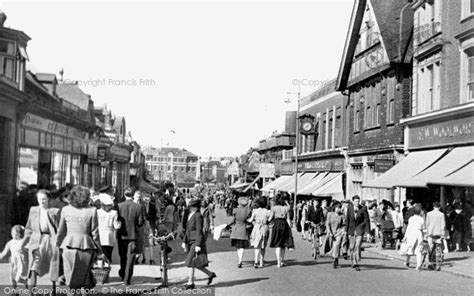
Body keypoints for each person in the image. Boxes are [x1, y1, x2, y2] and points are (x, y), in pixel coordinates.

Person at [56, 185, 104, 291]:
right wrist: (100, 251)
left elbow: (61, 231)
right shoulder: (92, 210)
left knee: (70, 276)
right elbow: (95, 233)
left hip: (68, 246)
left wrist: (57, 245)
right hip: (86, 246)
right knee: (84, 277)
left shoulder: (65, 210)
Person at [22, 189, 61, 288]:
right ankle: (32, 290)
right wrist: (24, 242)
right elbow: (28, 227)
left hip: (50, 240)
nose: (42, 202)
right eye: (39, 199)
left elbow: (59, 229)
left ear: (48, 199)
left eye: (44, 199)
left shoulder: (54, 212)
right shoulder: (33, 210)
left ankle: (53, 289)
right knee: (34, 265)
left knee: (53, 264)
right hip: (36, 240)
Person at [182, 199, 216, 289]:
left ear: (195, 207)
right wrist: (184, 241)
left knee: (190, 261)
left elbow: (199, 231)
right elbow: (187, 230)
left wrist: (197, 244)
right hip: (190, 240)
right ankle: (210, 274)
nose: (190, 208)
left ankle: (190, 283)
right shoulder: (190, 215)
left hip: (195, 241)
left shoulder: (198, 216)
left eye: (191, 207)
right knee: (195, 263)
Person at [117, 187, 144, 285]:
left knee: (122, 256)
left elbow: (116, 221)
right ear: (133, 195)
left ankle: (123, 273)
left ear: (124, 195)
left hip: (121, 236)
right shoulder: (138, 207)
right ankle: (127, 278)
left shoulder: (119, 206)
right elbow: (140, 222)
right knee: (131, 257)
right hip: (133, 236)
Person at [345, 195, 370, 271]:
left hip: (359, 229)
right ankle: (352, 261)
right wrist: (346, 231)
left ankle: (356, 263)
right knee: (351, 247)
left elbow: (367, 220)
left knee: (357, 245)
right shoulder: (349, 208)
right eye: (356, 201)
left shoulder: (363, 208)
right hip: (351, 230)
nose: (357, 202)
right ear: (353, 202)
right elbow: (347, 220)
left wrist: (368, 232)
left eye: (358, 201)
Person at [269, 194, 294, 268]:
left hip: (276, 225)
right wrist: (290, 226)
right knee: (283, 244)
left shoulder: (273, 208)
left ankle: (278, 262)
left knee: (278, 244)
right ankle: (282, 260)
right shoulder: (286, 208)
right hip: (284, 224)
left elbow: (270, 218)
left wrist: (266, 221)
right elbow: (288, 219)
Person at [0, 225, 28, 289]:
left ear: (20, 234)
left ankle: (25, 282)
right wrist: (1, 256)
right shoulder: (10, 243)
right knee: (12, 277)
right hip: (13, 263)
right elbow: (4, 253)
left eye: (16, 234)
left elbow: (28, 250)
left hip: (21, 263)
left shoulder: (22, 242)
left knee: (17, 278)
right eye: (13, 234)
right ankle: (15, 291)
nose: (14, 235)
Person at [248, 197, 272, 268]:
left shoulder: (255, 211)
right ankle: (261, 261)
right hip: (264, 228)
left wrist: (250, 221)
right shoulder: (268, 212)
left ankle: (256, 261)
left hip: (257, 227)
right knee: (263, 246)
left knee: (257, 245)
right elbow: (269, 220)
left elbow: (251, 219)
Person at [97, 193, 122, 263]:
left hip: (100, 234)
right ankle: (107, 269)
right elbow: (116, 226)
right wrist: (120, 223)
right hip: (110, 235)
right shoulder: (114, 213)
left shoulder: (97, 212)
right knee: (108, 254)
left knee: (100, 254)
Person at [230, 197, 251, 268]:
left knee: (238, 247)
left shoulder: (235, 210)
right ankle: (240, 260)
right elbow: (249, 219)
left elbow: (232, 220)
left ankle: (239, 260)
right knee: (242, 246)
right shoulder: (247, 210)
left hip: (236, 229)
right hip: (243, 229)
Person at [326, 202, 346, 269]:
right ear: (334, 208)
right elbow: (327, 224)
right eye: (337, 208)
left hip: (339, 232)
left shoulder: (342, 215)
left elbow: (344, 225)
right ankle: (336, 257)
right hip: (331, 233)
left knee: (337, 245)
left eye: (340, 208)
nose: (339, 209)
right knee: (333, 246)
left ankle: (334, 259)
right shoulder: (329, 214)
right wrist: (329, 232)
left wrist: (343, 231)